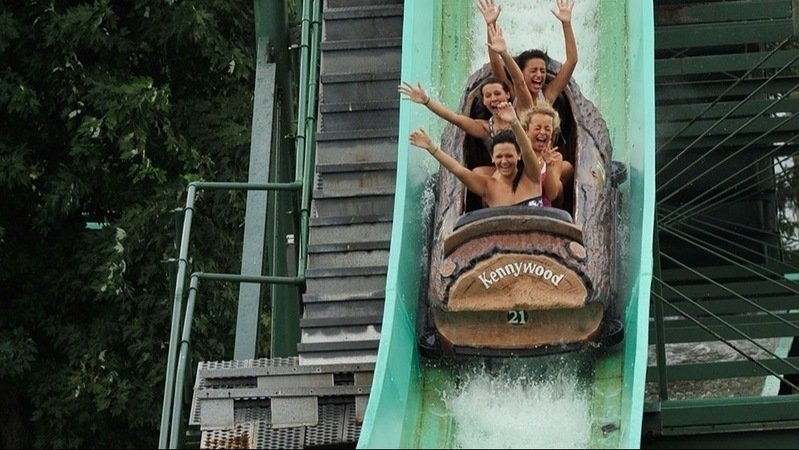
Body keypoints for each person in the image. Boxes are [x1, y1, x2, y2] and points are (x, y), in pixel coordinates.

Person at [409, 102, 553, 208]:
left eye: (509, 156)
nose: (504, 161)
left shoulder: (531, 176)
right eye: (499, 157)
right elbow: (458, 170)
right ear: (492, 157)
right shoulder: (487, 186)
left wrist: (514, 122)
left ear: (518, 155)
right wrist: (432, 148)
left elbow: (527, 150)